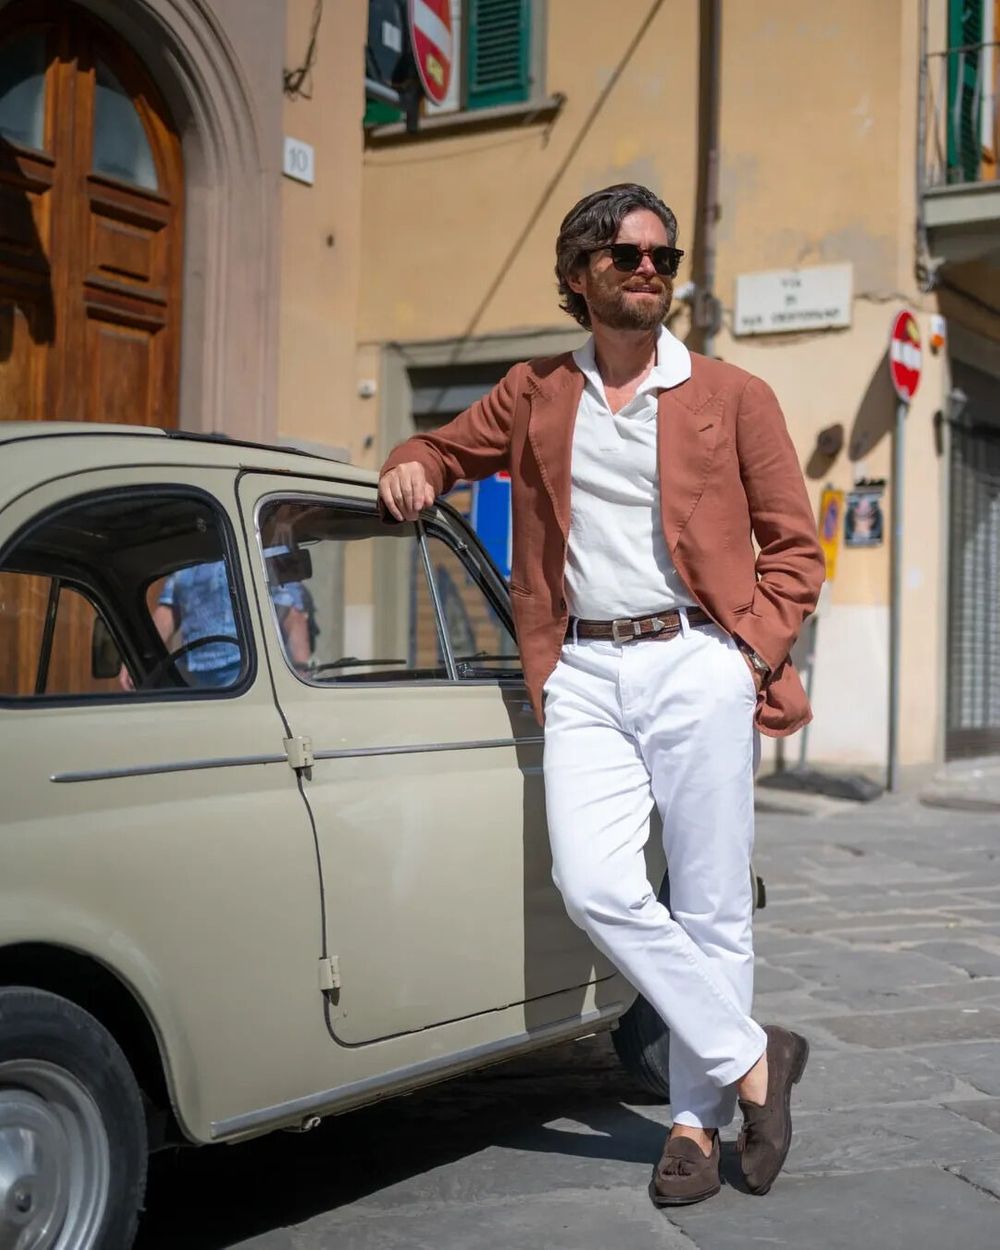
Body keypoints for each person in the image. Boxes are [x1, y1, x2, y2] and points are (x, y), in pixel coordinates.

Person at [378, 183, 825, 1206]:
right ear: (579, 271)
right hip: (579, 669)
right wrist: (409, 462)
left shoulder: (731, 393)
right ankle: (757, 1056)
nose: (647, 269)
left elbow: (792, 547)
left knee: (711, 900)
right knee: (594, 884)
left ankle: (693, 1120)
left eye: (661, 256)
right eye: (625, 254)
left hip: (695, 661)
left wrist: (746, 653)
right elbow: (443, 449)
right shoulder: (537, 390)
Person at [120, 556, 310, 690]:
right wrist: (135, 657)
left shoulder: (259, 542)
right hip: (195, 674)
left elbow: (291, 610)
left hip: (248, 672)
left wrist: (301, 671)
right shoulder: (186, 554)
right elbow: (169, 611)